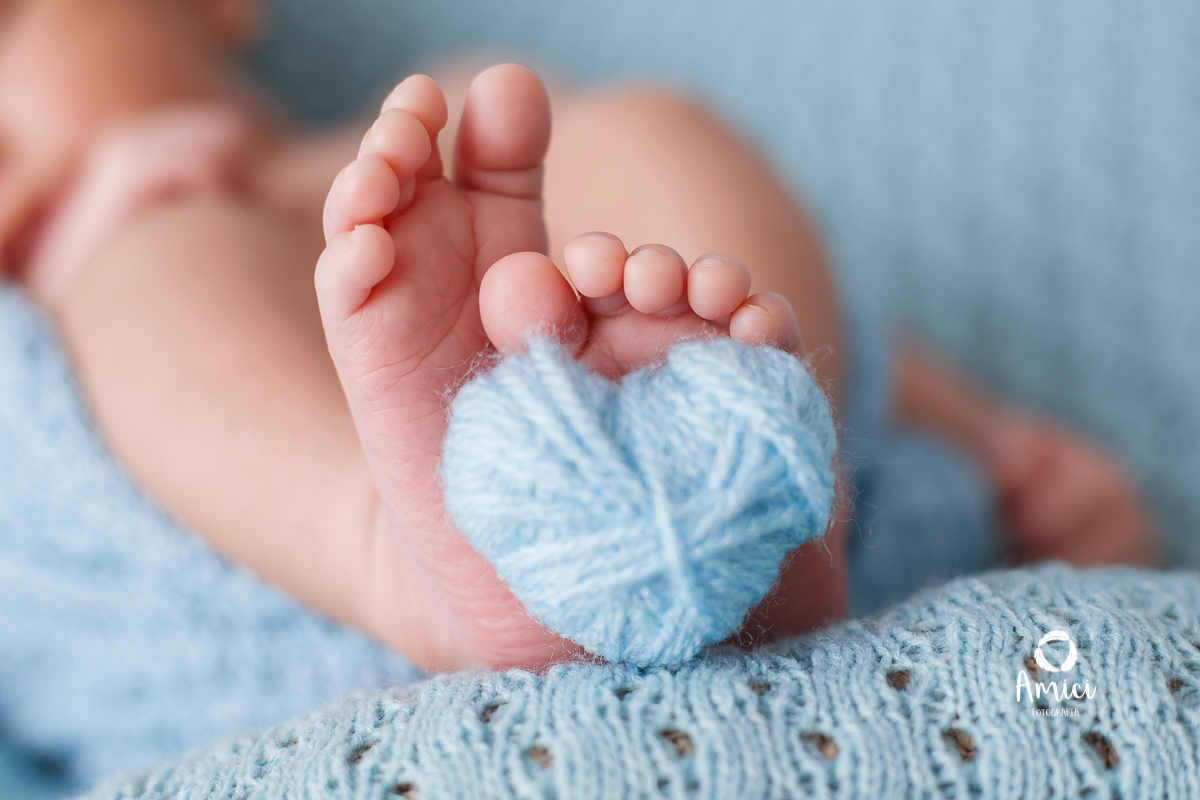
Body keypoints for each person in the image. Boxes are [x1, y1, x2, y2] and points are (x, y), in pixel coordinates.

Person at [0, 0, 1156, 672]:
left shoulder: (430, 133)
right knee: (150, 265)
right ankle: (417, 553)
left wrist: (1016, 466)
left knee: (632, 130)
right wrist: (95, 258)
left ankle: (741, 461)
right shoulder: (62, 306)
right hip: (281, 621)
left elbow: (881, 344)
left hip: (732, 518)